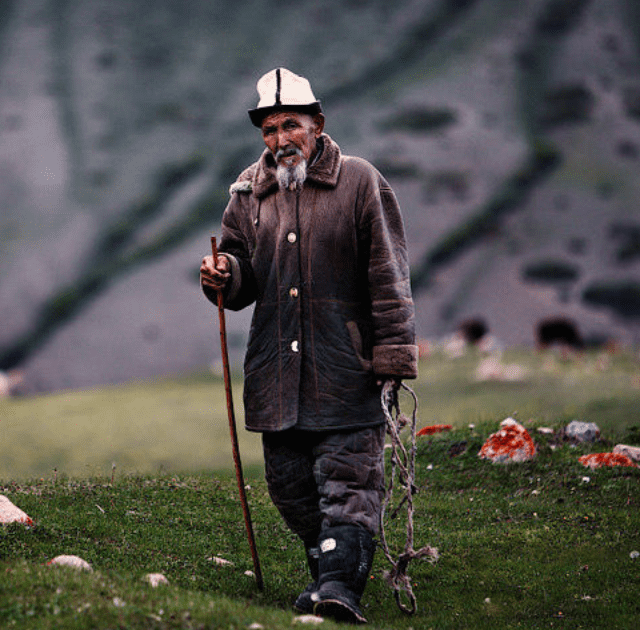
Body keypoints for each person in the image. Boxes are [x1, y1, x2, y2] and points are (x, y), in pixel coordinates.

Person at [200, 67, 417, 624]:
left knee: (349, 485)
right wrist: (223, 274)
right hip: (277, 375)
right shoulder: (249, 192)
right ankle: (328, 576)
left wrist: (393, 361)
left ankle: (342, 587)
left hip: (348, 368)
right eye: (269, 130)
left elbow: (388, 277)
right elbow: (243, 274)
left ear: (317, 124)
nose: (279, 140)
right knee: (292, 488)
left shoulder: (361, 182)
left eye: (290, 125)